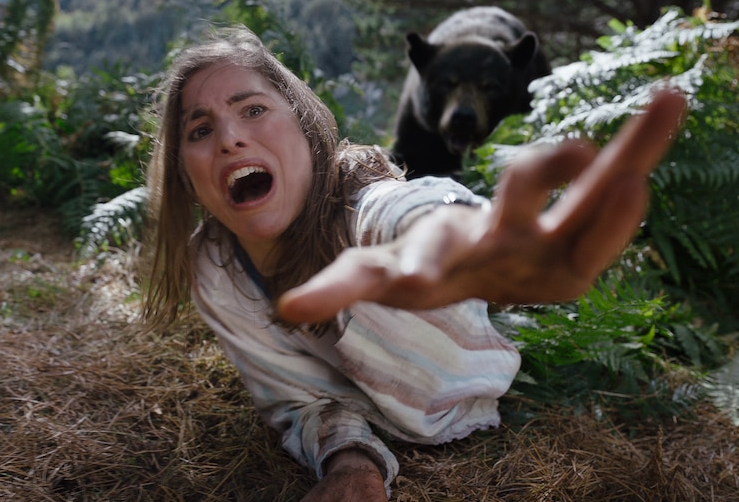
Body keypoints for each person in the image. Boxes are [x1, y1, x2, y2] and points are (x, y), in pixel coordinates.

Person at [142, 26, 687, 501]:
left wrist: (453, 228)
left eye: (253, 110)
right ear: (186, 174)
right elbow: (295, 399)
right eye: (200, 129)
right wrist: (352, 461)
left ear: (305, 128)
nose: (231, 137)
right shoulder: (213, 268)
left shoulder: (363, 209)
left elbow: (412, 210)